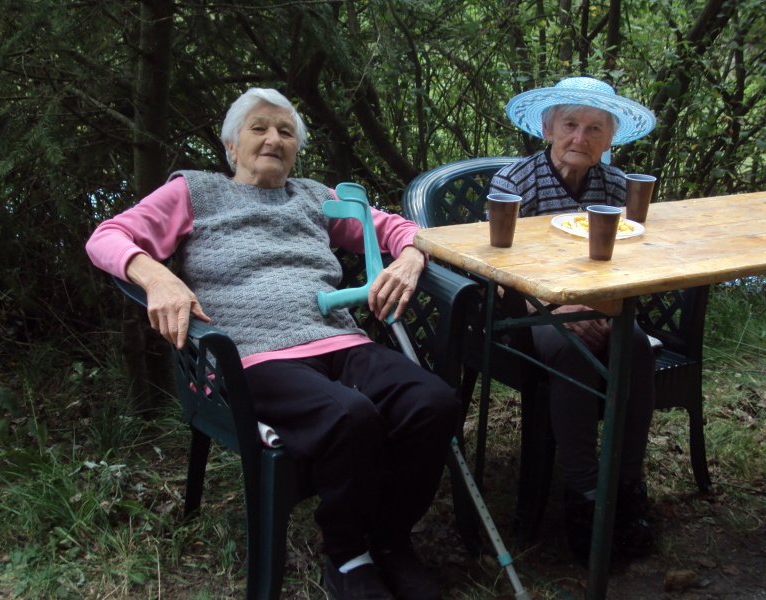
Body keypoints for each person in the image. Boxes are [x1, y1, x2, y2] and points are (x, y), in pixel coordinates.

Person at [86, 87, 459, 600]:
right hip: (248, 357)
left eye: (286, 132)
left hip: (338, 340)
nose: (273, 139)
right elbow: (107, 236)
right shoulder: (193, 192)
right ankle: (348, 555)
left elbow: (395, 228)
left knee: (433, 402)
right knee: (350, 417)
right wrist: (157, 277)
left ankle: (391, 540)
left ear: (296, 149)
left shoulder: (315, 197)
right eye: (258, 127)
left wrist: (412, 257)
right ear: (231, 145)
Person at [489, 76, 658, 561]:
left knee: (637, 348)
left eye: (594, 128)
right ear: (548, 130)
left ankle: (627, 487)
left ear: (609, 139)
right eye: (569, 125)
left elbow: (632, 260)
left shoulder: (617, 185)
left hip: (603, 307)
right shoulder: (513, 183)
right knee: (573, 350)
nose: (580, 138)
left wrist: (600, 307)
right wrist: (555, 308)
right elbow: (495, 268)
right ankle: (584, 495)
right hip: (530, 312)